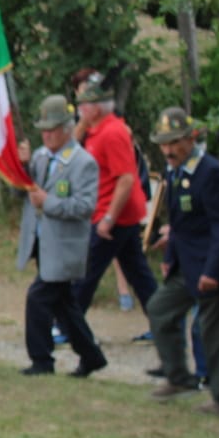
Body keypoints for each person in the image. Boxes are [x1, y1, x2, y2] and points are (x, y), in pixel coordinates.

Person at [146, 108, 219, 415]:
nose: (168, 150)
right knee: (159, 310)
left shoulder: (209, 171)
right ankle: (179, 378)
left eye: (174, 143)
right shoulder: (175, 170)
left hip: (215, 266)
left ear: (190, 139)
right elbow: (178, 223)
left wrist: (214, 271)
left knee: (215, 333)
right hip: (188, 264)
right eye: (163, 144)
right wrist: (170, 257)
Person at [17, 95, 109, 377]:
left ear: (67, 129)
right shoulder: (41, 157)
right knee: (64, 306)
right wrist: (21, 166)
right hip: (43, 244)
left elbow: (85, 206)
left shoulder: (83, 162)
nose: (47, 135)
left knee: (38, 298)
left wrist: (49, 202)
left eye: (53, 129)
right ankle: (91, 356)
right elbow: (24, 190)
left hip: (65, 247)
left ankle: (42, 360)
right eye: (43, 129)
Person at [70, 74, 158, 318]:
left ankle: (69, 326)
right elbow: (70, 152)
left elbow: (127, 178)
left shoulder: (112, 133)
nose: (79, 110)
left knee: (85, 271)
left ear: (96, 109)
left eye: (83, 106)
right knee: (139, 274)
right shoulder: (96, 131)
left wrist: (108, 218)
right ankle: (163, 324)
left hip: (115, 215)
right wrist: (82, 126)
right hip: (114, 213)